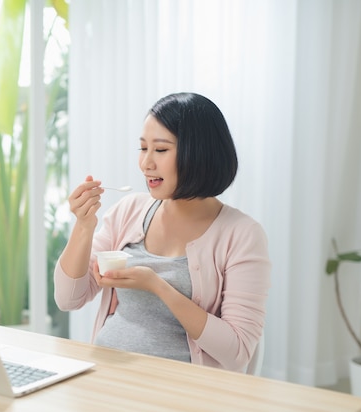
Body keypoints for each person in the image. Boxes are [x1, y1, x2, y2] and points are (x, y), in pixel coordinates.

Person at [54, 92, 271, 372]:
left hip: (178, 392)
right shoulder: (128, 210)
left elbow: (238, 352)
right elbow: (69, 298)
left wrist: (157, 286)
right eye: (143, 149)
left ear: (198, 153)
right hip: (103, 376)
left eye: (160, 150)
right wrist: (84, 227)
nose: (146, 163)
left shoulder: (242, 235)